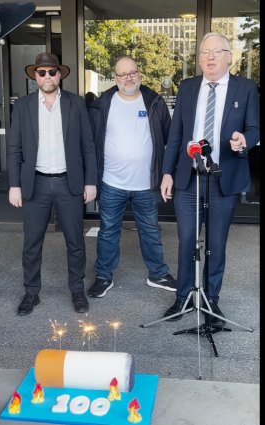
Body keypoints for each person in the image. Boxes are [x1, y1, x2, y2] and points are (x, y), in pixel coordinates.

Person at [161, 32, 260, 326]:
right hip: (189, 179)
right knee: (186, 241)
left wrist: (245, 139)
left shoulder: (246, 88)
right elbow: (176, 134)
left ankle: (211, 299)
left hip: (223, 178)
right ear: (200, 58)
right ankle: (183, 298)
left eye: (217, 52)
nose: (211, 57)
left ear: (229, 56)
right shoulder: (188, 87)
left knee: (216, 244)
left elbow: (255, 128)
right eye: (205, 52)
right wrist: (167, 172)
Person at [8, 52, 97, 316]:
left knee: (75, 242)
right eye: (41, 72)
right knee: (32, 243)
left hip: (68, 183)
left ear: (60, 75)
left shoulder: (75, 104)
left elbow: (88, 145)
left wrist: (90, 181)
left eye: (52, 71)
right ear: (35, 76)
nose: (47, 76)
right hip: (35, 184)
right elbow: (14, 148)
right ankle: (31, 293)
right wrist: (14, 184)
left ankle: (77, 290)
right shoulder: (22, 106)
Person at [87, 56, 177, 298]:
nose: (129, 77)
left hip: (147, 184)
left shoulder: (155, 102)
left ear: (139, 74)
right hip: (111, 182)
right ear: (115, 78)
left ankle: (157, 274)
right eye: (123, 74)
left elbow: (169, 139)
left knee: (150, 230)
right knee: (108, 231)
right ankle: (104, 276)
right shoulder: (101, 104)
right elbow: (91, 143)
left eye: (133, 72)